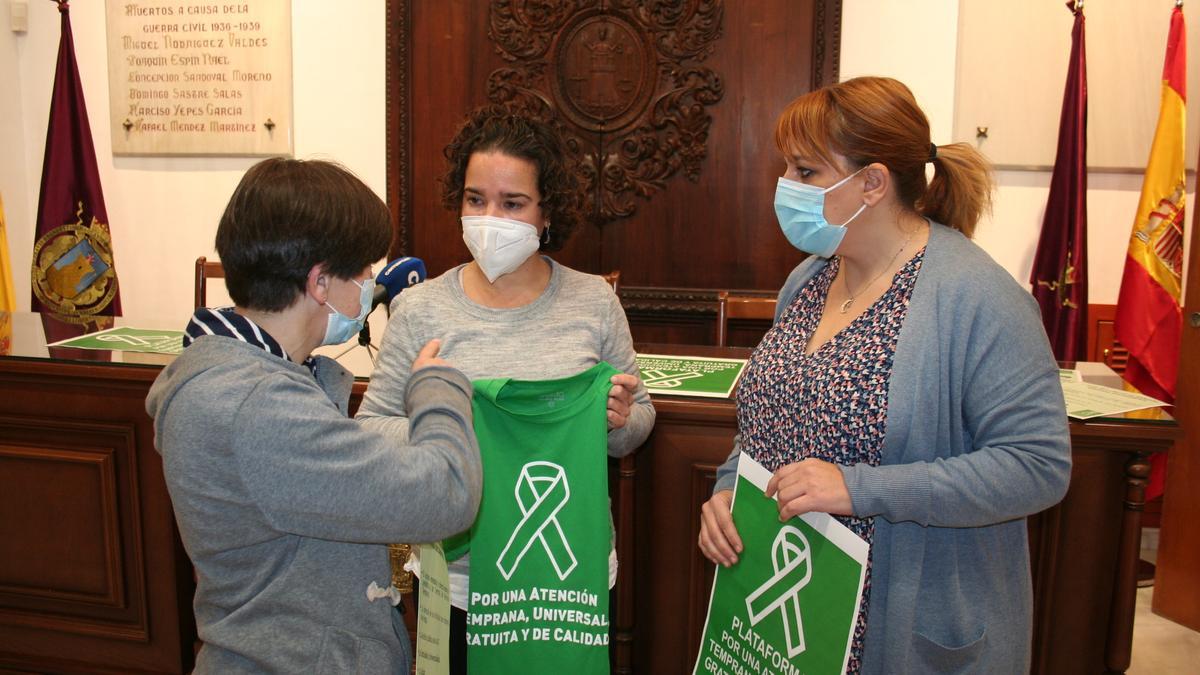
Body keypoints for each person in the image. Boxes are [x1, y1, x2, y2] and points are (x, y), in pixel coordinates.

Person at [697, 77, 1071, 673]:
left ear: (871, 182)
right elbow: (769, 423)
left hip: (900, 629)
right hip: (792, 620)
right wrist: (726, 489)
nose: (784, 188)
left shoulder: (979, 297)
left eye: (805, 172)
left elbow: (1038, 467)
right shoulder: (809, 279)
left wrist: (860, 488)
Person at [146, 158, 482, 674]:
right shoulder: (257, 407)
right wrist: (437, 389)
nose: (371, 286)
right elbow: (447, 495)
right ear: (321, 282)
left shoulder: (250, 379)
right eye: (364, 272)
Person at [356, 107, 655, 671]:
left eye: (512, 203)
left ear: (547, 213)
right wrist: (440, 412)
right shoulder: (420, 310)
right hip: (458, 582)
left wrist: (618, 420)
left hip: (568, 581)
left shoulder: (593, 302)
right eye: (475, 200)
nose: (490, 217)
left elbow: (638, 420)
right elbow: (372, 426)